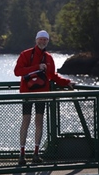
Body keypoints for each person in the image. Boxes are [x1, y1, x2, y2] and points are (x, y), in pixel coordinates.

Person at [14, 30, 74, 166]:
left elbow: (53, 76)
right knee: (26, 122)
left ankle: (36, 153)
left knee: (39, 122)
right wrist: (36, 67)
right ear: (36, 40)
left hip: (43, 93)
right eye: (40, 39)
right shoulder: (26, 54)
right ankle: (22, 154)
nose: (42, 42)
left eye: (45, 40)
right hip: (27, 93)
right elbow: (17, 72)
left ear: (48, 41)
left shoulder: (49, 58)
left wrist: (66, 82)